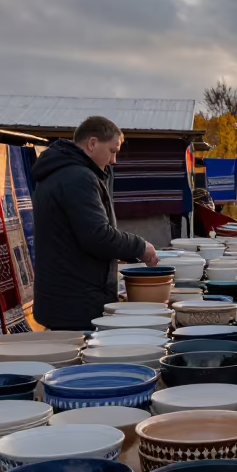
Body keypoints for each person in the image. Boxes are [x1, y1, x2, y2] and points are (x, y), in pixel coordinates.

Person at [32, 115, 159, 330]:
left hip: (64, 299)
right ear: (92, 143)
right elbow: (98, 236)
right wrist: (140, 247)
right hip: (76, 303)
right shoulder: (78, 177)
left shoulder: (63, 172)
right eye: (112, 151)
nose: (114, 161)